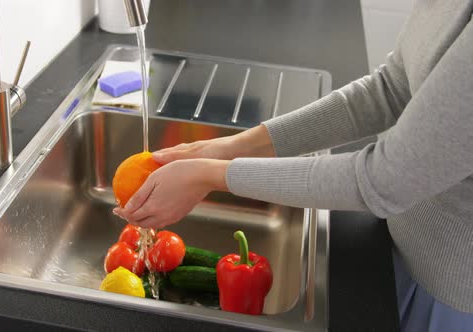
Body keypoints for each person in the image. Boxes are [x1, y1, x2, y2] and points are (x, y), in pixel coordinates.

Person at [114, 0, 473, 330]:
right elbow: (392, 87)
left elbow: (385, 179)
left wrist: (210, 174)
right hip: (393, 240)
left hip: (448, 288)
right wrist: (231, 147)